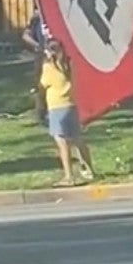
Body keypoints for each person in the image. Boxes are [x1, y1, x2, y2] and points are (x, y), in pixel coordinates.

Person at [39, 41, 95, 187]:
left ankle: (69, 176)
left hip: (56, 107)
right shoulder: (69, 65)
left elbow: (43, 84)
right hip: (71, 104)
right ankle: (90, 170)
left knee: (62, 142)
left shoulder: (49, 67)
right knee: (78, 139)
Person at [21, 10, 50, 124]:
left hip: (58, 52)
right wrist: (37, 46)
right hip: (42, 55)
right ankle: (42, 113)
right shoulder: (36, 20)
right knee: (41, 84)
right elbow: (26, 35)